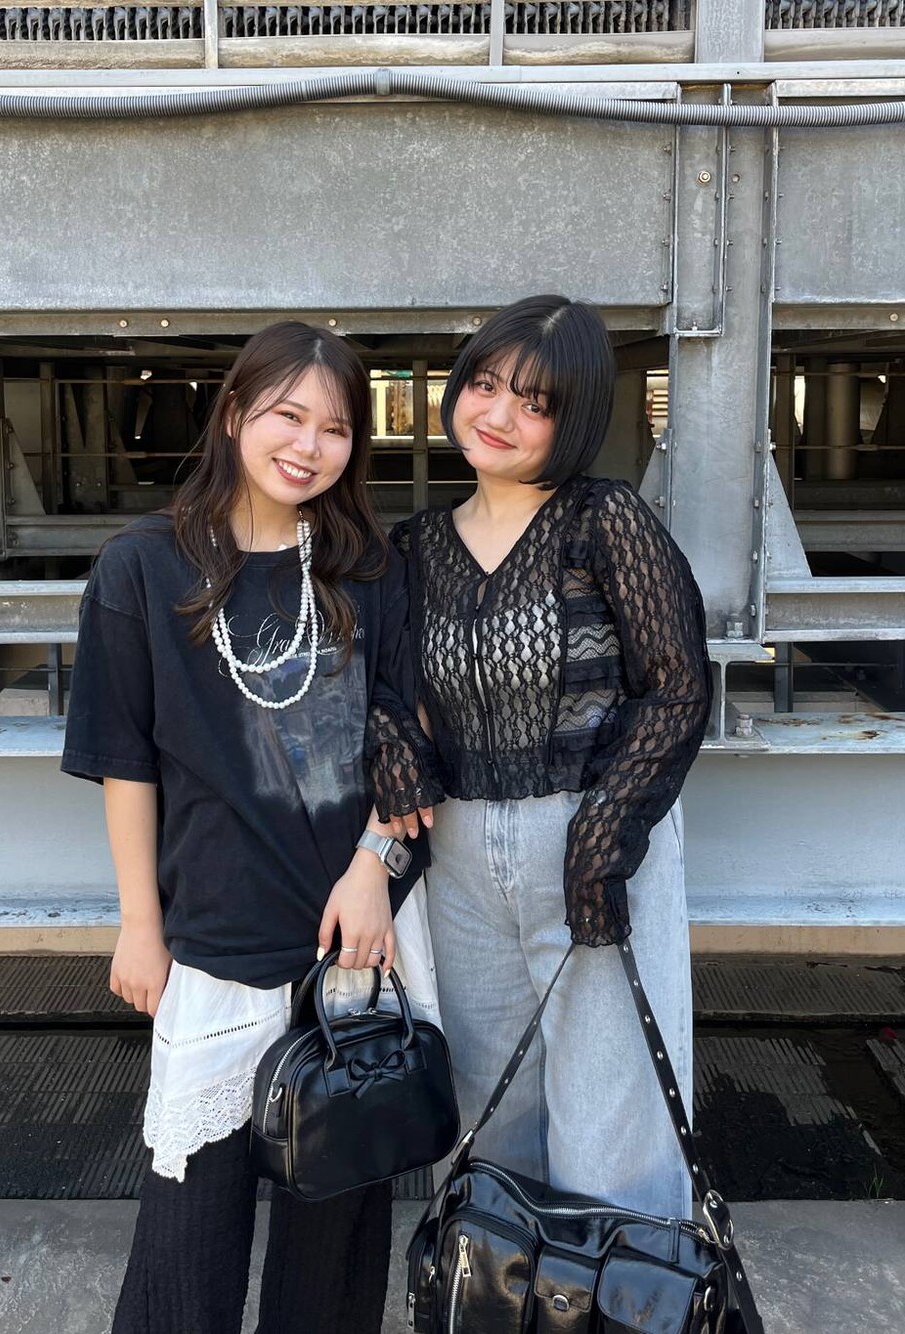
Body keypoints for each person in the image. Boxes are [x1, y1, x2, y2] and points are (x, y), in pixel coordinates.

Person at [61, 321, 442, 1334]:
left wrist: (375, 865)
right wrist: (139, 924)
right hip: (216, 933)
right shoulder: (142, 566)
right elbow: (125, 760)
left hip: (351, 939)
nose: (309, 445)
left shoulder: (368, 567)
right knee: (188, 1228)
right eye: (287, 415)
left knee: (335, 1233)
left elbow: (409, 732)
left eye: (336, 427)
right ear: (233, 414)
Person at [383, 294, 711, 1220]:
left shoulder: (604, 521)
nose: (499, 414)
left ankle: (619, 1283)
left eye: (535, 403)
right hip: (458, 856)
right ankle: (491, 1285)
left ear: (574, 421)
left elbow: (677, 685)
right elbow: (386, 687)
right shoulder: (415, 545)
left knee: (612, 1114)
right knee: (487, 1112)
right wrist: (393, 745)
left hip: (593, 838)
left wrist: (606, 834)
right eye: (486, 384)